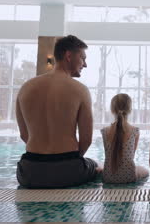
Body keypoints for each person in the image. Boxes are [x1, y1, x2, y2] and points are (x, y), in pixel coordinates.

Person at [16, 35, 100, 188]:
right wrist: (69, 161)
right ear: (69, 56)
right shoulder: (80, 90)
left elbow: (24, 135)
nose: (85, 64)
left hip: (29, 172)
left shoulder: (25, 88)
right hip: (68, 172)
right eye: (82, 58)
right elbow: (86, 139)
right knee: (96, 165)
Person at [101, 93, 149, 183]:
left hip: (107, 177)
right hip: (128, 177)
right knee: (145, 170)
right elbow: (131, 156)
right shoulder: (135, 131)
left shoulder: (104, 131)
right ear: (130, 110)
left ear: (112, 110)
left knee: (99, 166)